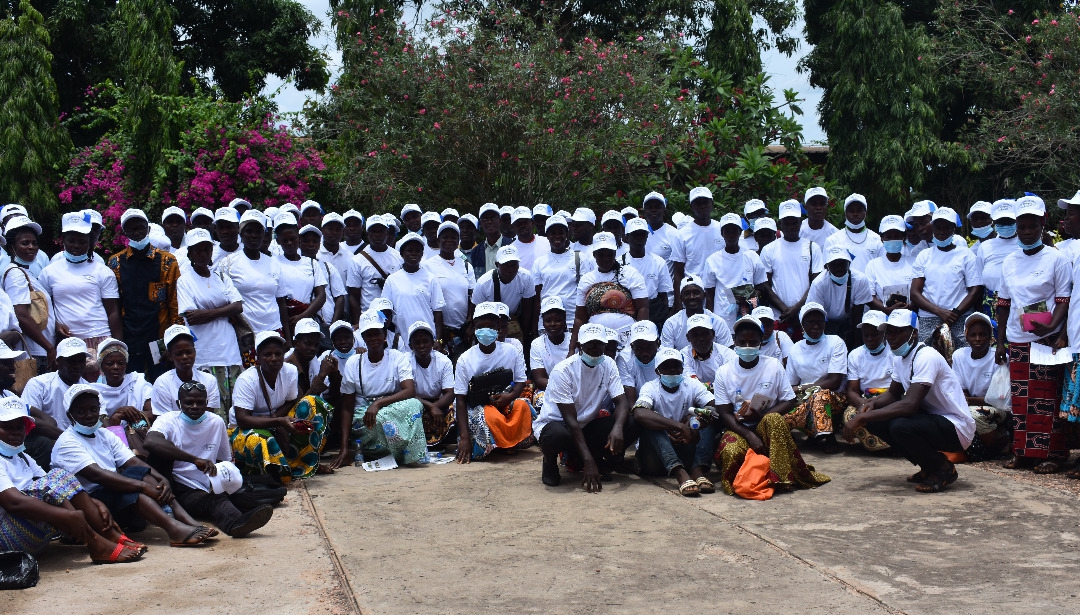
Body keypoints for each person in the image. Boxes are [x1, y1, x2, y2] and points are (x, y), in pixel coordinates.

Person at [51, 384, 214, 545]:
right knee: (130, 488)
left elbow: (132, 461)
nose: (89, 415)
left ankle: (182, 517)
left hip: (109, 493)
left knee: (139, 471)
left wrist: (161, 478)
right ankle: (174, 529)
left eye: (93, 409)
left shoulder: (105, 435)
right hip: (89, 501)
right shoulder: (67, 442)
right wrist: (142, 486)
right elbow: (98, 475)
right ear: (70, 414)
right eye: (81, 411)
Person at [842, 310, 976, 493]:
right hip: (932, 419)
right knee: (876, 423)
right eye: (889, 332)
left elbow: (910, 404)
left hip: (956, 426)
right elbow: (892, 394)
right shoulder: (900, 358)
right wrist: (871, 404)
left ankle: (942, 468)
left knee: (899, 426)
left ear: (914, 333)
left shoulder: (926, 356)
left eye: (898, 331)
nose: (891, 337)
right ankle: (929, 466)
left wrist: (863, 417)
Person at [0, 397, 145, 563]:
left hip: (28, 532)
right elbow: (13, 502)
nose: (15, 432)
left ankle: (109, 537)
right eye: (7, 427)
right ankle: (96, 543)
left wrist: (93, 502)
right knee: (52, 481)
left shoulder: (22, 457)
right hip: (5, 540)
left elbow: (58, 485)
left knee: (59, 476)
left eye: (19, 427)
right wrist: (68, 516)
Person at [714, 315, 831, 496]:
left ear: (761, 342)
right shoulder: (724, 372)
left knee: (774, 419)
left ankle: (782, 478)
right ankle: (746, 481)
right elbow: (724, 412)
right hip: (739, 428)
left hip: (766, 425)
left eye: (752, 342)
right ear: (734, 342)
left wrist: (760, 417)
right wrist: (748, 435)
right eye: (742, 342)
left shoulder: (773, 366)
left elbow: (789, 399)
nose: (747, 347)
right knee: (730, 450)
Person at [996, 195, 1072, 474]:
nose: (1026, 232)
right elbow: (1004, 302)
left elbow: (1064, 299)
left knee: (1046, 398)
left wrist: (1052, 327)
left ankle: (1053, 454)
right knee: (1021, 399)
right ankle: (1024, 452)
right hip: (1018, 338)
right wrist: (1000, 340)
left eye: (1032, 226)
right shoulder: (1010, 261)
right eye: (1022, 227)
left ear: (1042, 224)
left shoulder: (1057, 259)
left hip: (1047, 340)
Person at [144, 382, 274, 537]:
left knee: (236, 494)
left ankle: (249, 505)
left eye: (199, 402)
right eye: (188, 402)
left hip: (205, 483)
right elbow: (150, 442)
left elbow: (225, 459)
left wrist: (223, 479)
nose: (194, 406)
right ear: (179, 404)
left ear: (207, 403)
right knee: (214, 502)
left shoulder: (216, 422)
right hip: (174, 486)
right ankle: (236, 524)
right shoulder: (168, 420)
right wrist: (194, 459)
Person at [534, 323, 632, 491]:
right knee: (558, 435)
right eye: (590, 344)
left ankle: (595, 457)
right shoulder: (563, 371)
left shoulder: (608, 364)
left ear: (605, 345)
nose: (595, 349)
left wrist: (618, 427)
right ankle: (550, 461)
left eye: (599, 344)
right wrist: (589, 462)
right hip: (559, 425)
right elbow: (570, 420)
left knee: (630, 421)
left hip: (586, 424)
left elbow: (622, 402)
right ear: (580, 346)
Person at [330, 312, 426, 468]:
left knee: (415, 405)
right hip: (365, 416)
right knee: (381, 420)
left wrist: (378, 404)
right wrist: (344, 448)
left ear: (384, 336)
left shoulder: (396, 357)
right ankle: (387, 452)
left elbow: (409, 391)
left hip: (389, 408)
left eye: (377, 333)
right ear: (363, 338)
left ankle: (401, 453)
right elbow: (347, 408)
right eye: (368, 335)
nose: (373, 338)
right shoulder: (354, 363)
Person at [230, 331, 329, 480]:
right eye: (267, 354)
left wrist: (276, 421)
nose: (274, 359)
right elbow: (242, 419)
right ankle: (274, 474)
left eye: (278, 353)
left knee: (314, 404)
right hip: (245, 429)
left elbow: (292, 400)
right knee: (260, 439)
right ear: (258, 357)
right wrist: (277, 422)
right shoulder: (247, 380)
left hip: (276, 420)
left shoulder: (290, 371)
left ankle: (303, 463)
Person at [38, 212, 123, 368]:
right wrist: (56, 325)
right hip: (68, 342)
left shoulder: (102, 271)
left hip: (100, 337)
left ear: (89, 242)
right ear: (63, 240)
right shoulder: (48, 273)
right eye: (71, 241)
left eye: (82, 241)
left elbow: (113, 312)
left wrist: (117, 346)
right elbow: (44, 310)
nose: (76, 245)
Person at [453, 302, 533, 463]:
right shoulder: (465, 359)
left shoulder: (511, 351)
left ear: (499, 328)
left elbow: (520, 382)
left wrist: (509, 397)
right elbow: (460, 400)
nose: (486, 330)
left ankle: (507, 441)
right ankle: (503, 442)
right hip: (478, 407)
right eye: (481, 326)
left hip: (505, 401)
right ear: (474, 328)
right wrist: (464, 438)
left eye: (491, 326)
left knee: (522, 406)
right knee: (489, 416)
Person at [108, 208, 183, 378]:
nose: (137, 232)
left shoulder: (167, 261)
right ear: (125, 232)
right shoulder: (115, 263)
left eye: (140, 227)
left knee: (161, 382)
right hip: (130, 337)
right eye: (131, 228)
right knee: (133, 385)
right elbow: (115, 304)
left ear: (148, 229)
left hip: (159, 338)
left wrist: (174, 340)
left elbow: (175, 302)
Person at [633, 348, 717, 496]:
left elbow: (713, 404)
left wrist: (695, 418)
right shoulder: (650, 387)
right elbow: (639, 413)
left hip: (686, 447)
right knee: (650, 422)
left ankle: (697, 471)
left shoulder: (692, 384)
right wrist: (676, 426)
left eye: (676, 365)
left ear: (682, 368)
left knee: (706, 416)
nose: (672, 370)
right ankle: (679, 473)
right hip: (655, 456)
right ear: (658, 371)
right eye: (666, 366)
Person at [176, 228, 246, 409]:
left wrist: (207, 313)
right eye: (198, 250)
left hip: (229, 350)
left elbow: (238, 306)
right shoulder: (185, 281)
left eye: (207, 249)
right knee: (212, 407)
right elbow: (192, 317)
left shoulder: (221, 277)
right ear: (190, 253)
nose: (203, 254)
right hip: (205, 352)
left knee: (234, 405)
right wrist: (225, 311)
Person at [910, 207, 984, 350]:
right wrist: (939, 311)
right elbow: (914, 293)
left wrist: (956, 313)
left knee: (962, 356)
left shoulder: (966, 255)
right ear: (933, 227)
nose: (942, 231)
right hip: (929, 317)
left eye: (947, 227)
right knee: (927, 356)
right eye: (938, 227)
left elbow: (975, 289)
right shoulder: (924, 256)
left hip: (959, 317)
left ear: (953, 228)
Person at [784, 303, 848, 452]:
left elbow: (834, 381)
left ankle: (830, 439)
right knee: (782, 416)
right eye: (810, 322)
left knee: (820, 397)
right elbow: (790, 385)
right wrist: (801, 392)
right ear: (802, 325)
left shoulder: (835, 342)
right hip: (805, 399)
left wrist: (805, 388)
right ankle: (814, 435)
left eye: (819, 322)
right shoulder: (795, 349)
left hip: (834, 397)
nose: (816, 326)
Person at [218, 210, 291, 342]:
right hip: (245, 333)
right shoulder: (228, 263)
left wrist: (288, 339)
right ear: (241, 233)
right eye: (249, 231)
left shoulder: (273, 263)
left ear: (264, 234)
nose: (254, 235)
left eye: (258, 232)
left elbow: (281, 303)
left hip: (273, 330)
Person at [570, 232, 648, 349]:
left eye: (609, 254)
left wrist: (640, 339)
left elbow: (643, 308)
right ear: (594, 254)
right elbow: (580, 318)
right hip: (596, 340)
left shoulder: (630, 274)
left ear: (615, 253)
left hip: (627, 338)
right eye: (601, 254)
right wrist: (572, 348)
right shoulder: (587, 279)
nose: (606, 259)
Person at [22, 337, 90, 467]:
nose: (77, 365)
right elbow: (29, 421)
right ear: (58, 361)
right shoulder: (38, 384)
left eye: (81, 361)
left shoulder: (90, 389)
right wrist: (69, 440)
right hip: (52, 444)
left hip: (83, 445)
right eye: (71, 361)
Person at [951, 313, 1011, 461]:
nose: (977, 339)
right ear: (966, 336)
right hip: (971, 403)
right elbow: (960, 388)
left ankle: (1002, 443)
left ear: (990, 337)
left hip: (999, 408)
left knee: (974, 415)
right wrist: (965, 400)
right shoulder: (959, 356)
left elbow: (998, 399)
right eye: (973, 335)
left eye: (982, 334)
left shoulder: (999, 356)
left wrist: (967, 400)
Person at [759, 200, 824, 334]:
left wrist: (796, 309)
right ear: (780, 224)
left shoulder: (812, 248)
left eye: (794, 222)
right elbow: (765, 285)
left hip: (806, 315)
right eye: (786, 222)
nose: (790, 226)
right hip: (779, 316)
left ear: (800, 222)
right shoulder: (769, 249)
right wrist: (785, 310)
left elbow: (816, 283)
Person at [2, 215, 55, 370]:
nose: (31, 247)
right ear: (12, 246)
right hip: (34, 351)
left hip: (40, 349)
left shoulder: (27, 272)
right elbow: (21, 315)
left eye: (34, 243)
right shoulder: (15, 274)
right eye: (25, 243)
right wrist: (49, 347)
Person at [702, 212, 768, 328]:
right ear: (722, 233)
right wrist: (710, 320)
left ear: (740, 232)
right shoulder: (712, 260)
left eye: (734, 230)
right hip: (723, 320)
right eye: (727, 231)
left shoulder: (751, 256)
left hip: (749, 317)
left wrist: (746, 297)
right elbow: (709, 295)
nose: (731, 234)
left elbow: (761, 287)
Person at [841, 311, 895, 451]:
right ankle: (886, 446)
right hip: (866, 399)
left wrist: (876, 402)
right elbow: (852, 390)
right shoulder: (855, 355)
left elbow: (898, 389)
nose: (870, 339)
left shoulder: (894, 353)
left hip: (890, 397)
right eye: (866, 335)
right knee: (849, 416)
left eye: (874, 335)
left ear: (884, 334)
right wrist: (862, 404)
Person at [533, 215, 595, 333]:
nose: (557, 236)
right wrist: (536, 325)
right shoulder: (539, 262)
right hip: (547, 322)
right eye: (553, 233)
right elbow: (537, 298)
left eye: (561, 232)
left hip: (572, 320)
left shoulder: (579, 258)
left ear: (567, 234)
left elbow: (586, 291)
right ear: (547, 236)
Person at [382, 232, 446, 344]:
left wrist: (438, 340)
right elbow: (383, 310)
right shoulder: (392, 280)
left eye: (417, 251)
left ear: (422, 254)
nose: (414, 253)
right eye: (410, 250)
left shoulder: (431, 278)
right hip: (402, 340)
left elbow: (438, 312)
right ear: (402, 253)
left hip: (427, 340)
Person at [423, 221, 475, 356]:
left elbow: (472, 296)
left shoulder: (466, 266)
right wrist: (439, 331)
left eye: (453, 237)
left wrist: (469, 324)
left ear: (458, 240)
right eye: (445, 237)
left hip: (463, 331)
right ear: (438, 239)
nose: (449, 240)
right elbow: (426, 300)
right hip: (440, 331)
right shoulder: (428, 266)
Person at [94, 339, 153, 455]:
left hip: (141, 435)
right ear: (101, 366)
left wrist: (126, 414)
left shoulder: (138, 381)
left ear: (126, 365)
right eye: (110, 364)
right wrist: (116, 417)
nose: (115, 367)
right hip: (111, 441)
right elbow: (103, 426)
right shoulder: (95, 391)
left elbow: (153, 412)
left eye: (120, 363)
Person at [805, 246, 872, 346]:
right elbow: (815, 314)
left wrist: (855, 345)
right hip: (826, 322)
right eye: (834, 264)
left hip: (850, 321)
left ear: (849, 263)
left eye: (842, 263)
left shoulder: (860, 280)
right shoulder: (819, 283)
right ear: (827, 266)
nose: (839, 268)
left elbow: (857, 316)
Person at [150, 325, 222, 417]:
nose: (185, 357)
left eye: (188, 352)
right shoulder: (162, 383)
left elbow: (208, 417)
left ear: (194, 352)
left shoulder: (209, 380)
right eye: (179, 354)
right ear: (171, 356)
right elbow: (164, 420)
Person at [671, 187, 724, 309]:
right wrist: (678, 305)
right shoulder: (682, 234)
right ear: (691, 207)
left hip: (721, 290)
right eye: (697, 203)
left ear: (712, 203)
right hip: (693, 294)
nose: (702, 206)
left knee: (723, 324)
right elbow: (678, 272)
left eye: (705, 202)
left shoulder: (722, 229)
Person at [273, 215, 328, 331]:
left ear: (299, 238)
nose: (289, 243)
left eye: (292, 239)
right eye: (284, 240)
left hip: (307, 319)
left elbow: (321, 296)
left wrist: (303, 316)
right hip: (281, 320)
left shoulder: (312, 264)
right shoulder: (273, 263)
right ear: (278, 241)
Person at [472, 245, 536, 342]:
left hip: (513, 319)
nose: (510, 269)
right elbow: (475, 311)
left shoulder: (526, 278)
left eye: (514, 264)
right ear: (497, 264)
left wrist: (525, 334)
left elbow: (527, 309)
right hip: (489, 320)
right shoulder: (483, 283)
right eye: (505, 265)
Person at [406, 321, 455, 448]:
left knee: (454, 407)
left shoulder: (444, 361)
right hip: (414, 402)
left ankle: (447, 443)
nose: (421, 345)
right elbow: (406, 393)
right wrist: (430, 407)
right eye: (417, 342)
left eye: (425, 341)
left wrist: (434, 407)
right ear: (410, 345)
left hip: (438, 402)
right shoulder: (404, 361)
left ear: (433, 343)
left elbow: (450, 393)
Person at [347, 215, 404, 317]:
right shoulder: (357, 260)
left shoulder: (399, 257)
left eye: (381, 231)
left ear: (387, 233)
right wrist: (357, 322)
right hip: (370, 318)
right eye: (373, 231)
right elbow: (354, 296)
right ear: (368, 234)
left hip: (395, 316)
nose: (377, 234)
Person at [622, 217, 673, 331]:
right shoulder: (619, 262)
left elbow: (663, 296)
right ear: (627, 237)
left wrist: (662, 317)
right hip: (626, 312)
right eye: (635, 234)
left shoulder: (659, 262)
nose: (639, 238)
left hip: (652, 313)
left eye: (642, 234)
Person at [976, 199, 1020, 320]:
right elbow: (979, 282)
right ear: (994, 221)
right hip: (991, 303)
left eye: (1009, 221)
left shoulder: (1025, 243)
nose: (1005, 225)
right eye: (1001, 221)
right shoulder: (985, 247)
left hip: (1020, 300)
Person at [660, 275, 732, 349]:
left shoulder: (718, 322)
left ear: (704, 295)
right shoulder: (671, 324)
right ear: (681, 298)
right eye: (687, 294)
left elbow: (727, 353)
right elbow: (666, 354)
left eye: (696, 293)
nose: (692, 297)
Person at [864, 215, 915, 315]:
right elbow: (869, 296)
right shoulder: (873, 265)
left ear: (904, 237)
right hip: (881, 318)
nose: (893, 240)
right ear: (882, 238)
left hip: (908, 317)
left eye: (897, 236)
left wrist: (910, 306)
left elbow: (920, 292)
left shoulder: (913, 262)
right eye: (888, 237)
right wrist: (885, 309)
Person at [824, 193, 882, 274]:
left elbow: (881, 269)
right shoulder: (833, 240)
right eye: (851, 210)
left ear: (866, 213)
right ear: (845, 214)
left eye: (859, 210)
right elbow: (827, 271)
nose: (855, 214)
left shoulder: (876, 239)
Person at [680, 313, 739, 385]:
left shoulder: (727, 354)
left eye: (705, 334)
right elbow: (692, 385)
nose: (701, 339)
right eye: (695, 335)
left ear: (713, 334)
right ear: (688, 338)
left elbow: (730, 382)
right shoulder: (683, 356)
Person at [530, 297, 571, 393]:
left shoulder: (574, 340)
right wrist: (564, 388)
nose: (553, 324)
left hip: (575, 388)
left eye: (558, 320)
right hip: (549, 389)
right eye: (548, 320)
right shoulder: (537, 344)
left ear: (564, 320)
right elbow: (539, 380)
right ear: (543, 322)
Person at [616, 321, 661, 407]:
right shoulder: (624, 358)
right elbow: (631, 402)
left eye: (649, 347)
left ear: (658, 344)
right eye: (639, 348)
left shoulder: (666, 356)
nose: (645, 353)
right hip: (639, 407)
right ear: (632, 346)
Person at [467, 203, 512, 277]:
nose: (489, 222)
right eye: (485, 219)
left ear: (500, 220)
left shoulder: (511, 245)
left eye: (493, 218)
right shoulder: (475, 252)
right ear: (481, 223)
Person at [640, 191, 676, 268]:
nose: (653, 210)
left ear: (664, 211)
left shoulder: (674, 234)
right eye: (650, 207)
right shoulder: (637, 233)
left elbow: (679, 266)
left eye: (657, 207)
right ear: (644, 212)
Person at [511, 206, 550, 271]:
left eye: (525, 222)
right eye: (518, 223)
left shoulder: (547, 242)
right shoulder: (511, 250)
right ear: (513, 227)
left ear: (532, 223)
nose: (522, 225)